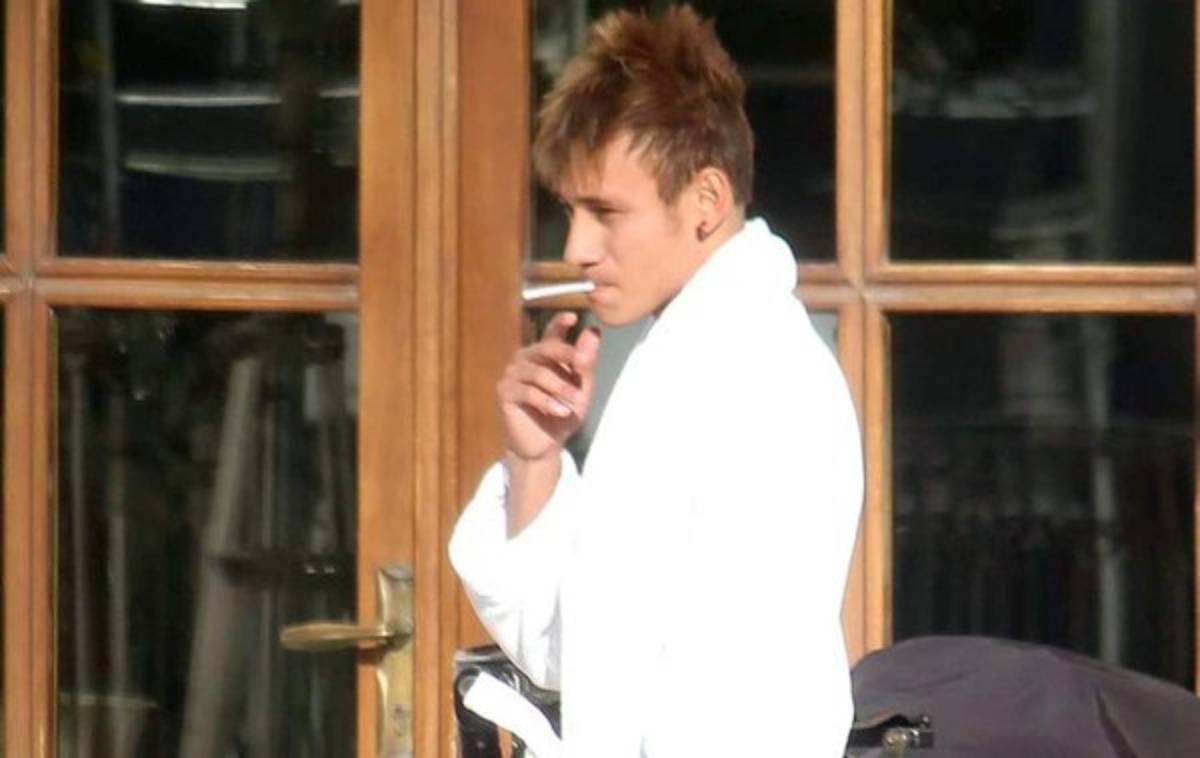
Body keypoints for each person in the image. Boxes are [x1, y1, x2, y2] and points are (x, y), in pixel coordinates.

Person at [449, 5, 863, 755]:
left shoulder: (759, 379)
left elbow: (737, 708)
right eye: (571, 210)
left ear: (705, 201)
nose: (578, 246)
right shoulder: (681, 360)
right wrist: (536, 459)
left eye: (606, 212)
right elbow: (587, 656)